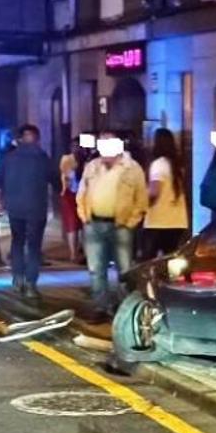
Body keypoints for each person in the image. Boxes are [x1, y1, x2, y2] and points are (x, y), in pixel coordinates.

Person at [76, 131, 148, 318]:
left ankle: (124, 309)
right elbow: (81, 193)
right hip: (94, 224)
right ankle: (101, 307)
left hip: (121, 226)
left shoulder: (132, 168)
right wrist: (85, 217)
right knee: (95, 269)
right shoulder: (92, 167)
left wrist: (131, 222)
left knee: (124, 269)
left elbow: (141, 199)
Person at [0, 124, 55, 300]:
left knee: (17, 242)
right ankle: (30, 284)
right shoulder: (42, 158)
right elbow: (56, 180)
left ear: (19, 139)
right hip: (36, 208)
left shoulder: (8, 158)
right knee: (34, 246)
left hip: (15, 208)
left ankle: (18, 277)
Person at [143, 128, 189, 260]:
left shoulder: (158, 165)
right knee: (170, 261)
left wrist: (140, 200)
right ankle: (168, 282)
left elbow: (154, 192)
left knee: (148, 262)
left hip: (158, 221)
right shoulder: (177, 165)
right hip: (177, 221)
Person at [58, 137, 86, 263]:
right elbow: (67, 177)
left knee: (80, 224)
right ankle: (74, 253)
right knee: (74, 224)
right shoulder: (69, 159)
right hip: (71, 194)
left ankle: (79, 253)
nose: (76, 149)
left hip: (80, 194)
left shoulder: (86, 160)